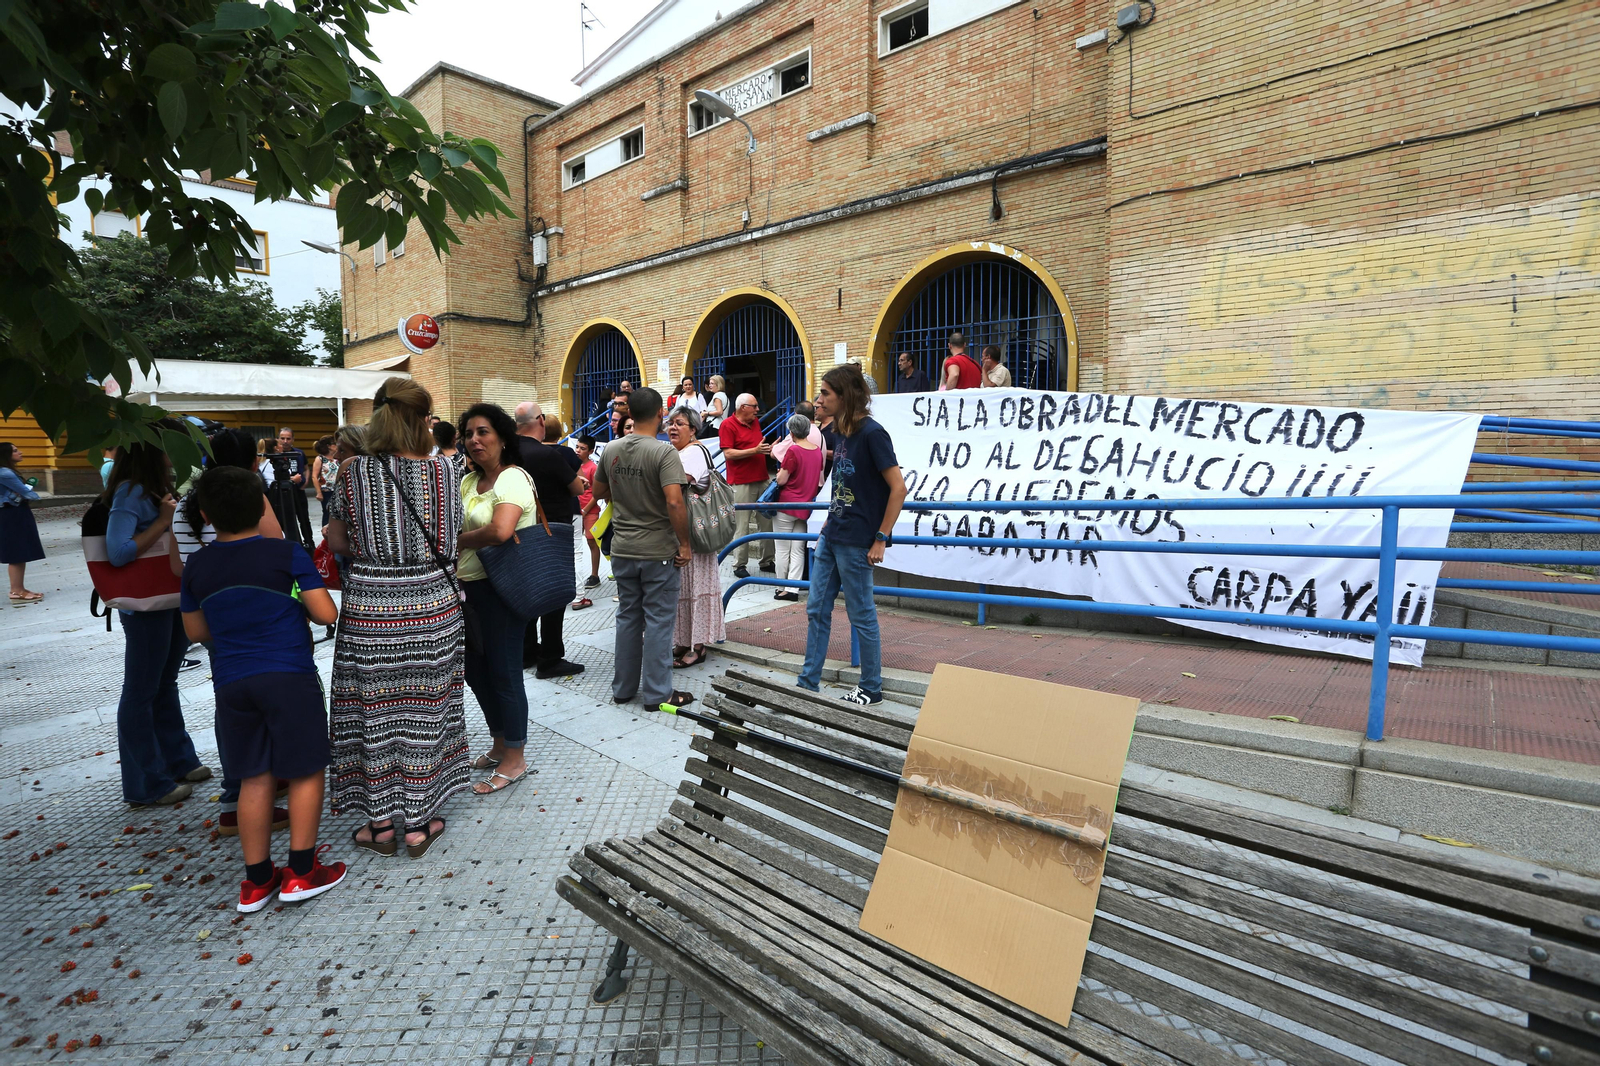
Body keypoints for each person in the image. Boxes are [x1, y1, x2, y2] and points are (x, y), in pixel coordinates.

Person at [179, 466, 346, 911]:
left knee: (254, 775)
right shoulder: (286, 554)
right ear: (262, 507)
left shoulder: (197, 563)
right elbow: (326, 614)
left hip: (233, 682)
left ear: (204, 513)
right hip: (289, 676)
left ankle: (256, 882)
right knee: (306, 769)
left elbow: (196, 630)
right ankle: (303, 871)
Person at [324, 377, 466, 859]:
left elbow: (338, 543)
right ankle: (420, 824)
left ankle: (380, 824)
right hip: (432, 602)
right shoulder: (447, 472)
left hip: (370, 606)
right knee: (426, 707)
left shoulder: (351, 472)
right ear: (423, 419)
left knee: (372, 710)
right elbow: (454, 536)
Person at [170, 428, 288, 835]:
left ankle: (236, 791)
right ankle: (257, 787)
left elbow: (175, 567)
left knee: (233, 705)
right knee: (276, 699)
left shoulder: (187, 503)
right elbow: (278, 551)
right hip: (266, 620)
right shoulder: (251, 499)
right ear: (253, 463)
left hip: (214, 621)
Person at [104, 435, 211, 805]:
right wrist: (165, 520)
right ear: (153, 450)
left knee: (165, 681)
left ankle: (178, 759)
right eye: (171, 443)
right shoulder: (130, 492)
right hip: (145, 606)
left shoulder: (157, 487)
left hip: (168, 600)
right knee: (140, 690)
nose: (177, 451)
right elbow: (117, 552)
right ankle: (146, 783)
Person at [797, 364, 908, 708]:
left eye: (826, 394)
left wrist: (880, 537)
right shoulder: (840, 433)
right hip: (832, 534)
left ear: (846, 395)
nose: (818, 401)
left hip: (859, 540)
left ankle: (871, 687)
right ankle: (807, 681)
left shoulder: (873, 434)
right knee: (816, 607)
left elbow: (898, 489)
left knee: (862, 614)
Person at [456, 403, 539, 796]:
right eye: (469, 433)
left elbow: (501, 531)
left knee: (505, 673)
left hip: (505, 589)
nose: (474, 440)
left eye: (483, 432)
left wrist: (456, 541)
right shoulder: (469, 483)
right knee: (476, 670)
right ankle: (500, 740)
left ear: (503, 438)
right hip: (469, 587)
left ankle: (516, 757)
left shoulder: (514, 478)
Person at [593, 388, 695, 710]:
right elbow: (674, 501)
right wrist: (685, 543)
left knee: (627, 618)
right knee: (659, 622)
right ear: (661, 413)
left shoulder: (611, 449)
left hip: (623, 548)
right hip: (658, 552)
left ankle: (623, 689)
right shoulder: (664, 453)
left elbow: (598, 490)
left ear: (630, 414)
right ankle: (657, 693)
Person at [511, 401, 587, 679]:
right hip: (552, 533)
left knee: (529, 594)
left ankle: (527, 651)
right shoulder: (548, 455)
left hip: (518, 533)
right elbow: (575, 487)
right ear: (540, 421)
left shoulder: (507, 452)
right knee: (554, 596)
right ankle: (551, 658)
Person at [665, 407, 725, 667]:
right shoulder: (679, 452)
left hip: (696, 534)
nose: (673, 428)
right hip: (684, 531)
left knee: (697, 588)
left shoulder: (693, 453)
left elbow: (677, 485)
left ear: (693, 429)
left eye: (680, 423)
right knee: (684, 589)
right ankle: (682, 641)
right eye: (670, 423)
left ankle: (698, 646)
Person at [720, 392, 774, 579]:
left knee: (766, 523)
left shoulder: (756, 423)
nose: (758, 410)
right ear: (743, 407)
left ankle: (767, 560)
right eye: (754, 406)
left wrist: (767, 450)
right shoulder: (727, 425)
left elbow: (757, 446)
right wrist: (755, 450)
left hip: (761, 478)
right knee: (742, 525)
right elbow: (728, 454)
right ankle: (739, 564)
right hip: (741, 481)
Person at [771, 414, 823, 602]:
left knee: (782, 548)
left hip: (787, 504)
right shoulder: (817, 450)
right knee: (798, 549)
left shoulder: (793, 450)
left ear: (791, 432)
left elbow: (782, 479)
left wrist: (778, 474)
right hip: (806, 505)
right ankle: (793, 588)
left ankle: (781, 587)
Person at [0, 442, 45, 604]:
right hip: (12, 514)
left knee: (20, 552)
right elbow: (27, 493)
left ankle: (20, 588)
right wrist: (34, 495)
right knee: (16, 553)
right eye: (15, 450)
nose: (21, 452)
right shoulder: (5, 473)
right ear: (5, 454)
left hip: (14, 512)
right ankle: (16, 591)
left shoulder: (7, 471)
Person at [274, 427, 316, 548]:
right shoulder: (276, 455)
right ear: (278, 439)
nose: (285, 441)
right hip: (282, 493)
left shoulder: (299, 453)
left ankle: (309, 542)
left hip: (299, 491)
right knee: (286, 519)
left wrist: (306, 481)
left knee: (304, 518)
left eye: (288, 438)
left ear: (293, 439)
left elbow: (306, 468)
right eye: (282, 438)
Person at [771, 401, 827, 489]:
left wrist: (773, 447)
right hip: (816, 486)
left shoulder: (798, 435)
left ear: (796, 415)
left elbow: (775, 454)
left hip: (798, 488)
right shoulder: (820, 434)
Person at [573, 436, 602, 598]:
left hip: (589, 510)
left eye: (582, 448)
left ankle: (594, 574)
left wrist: (586, 510)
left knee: (591, 540)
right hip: (576, 511)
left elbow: (596, 494)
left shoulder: (593, 468)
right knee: (575, 544)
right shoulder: (573, 466)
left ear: (591, 451)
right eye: (577, 447)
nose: (578, 450)